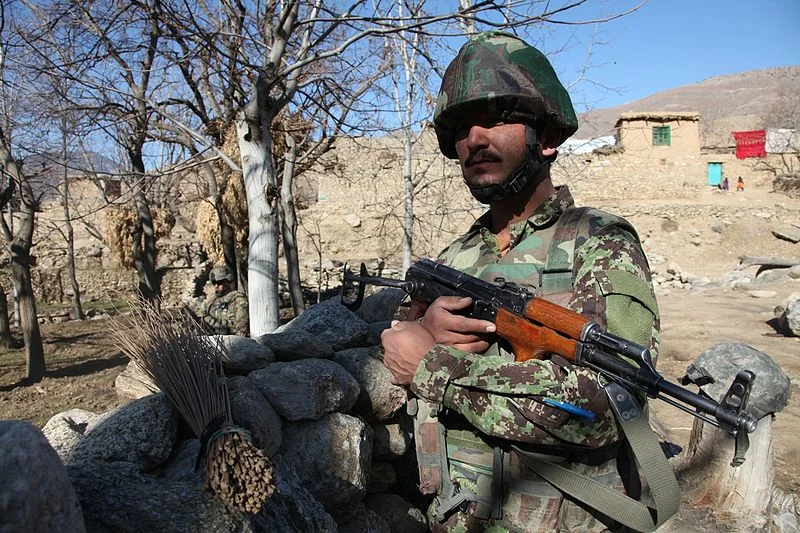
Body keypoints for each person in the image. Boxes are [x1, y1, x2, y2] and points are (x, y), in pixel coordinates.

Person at [381, 32, 663, 532]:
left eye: (495, 119)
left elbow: (604, 406)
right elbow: (396, 347)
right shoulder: (456, 256)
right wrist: (424, 325)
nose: (474, 139)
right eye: (462, 127)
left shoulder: (599, 241)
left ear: (547, 137)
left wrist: (434, 367)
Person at [202, 265, 249, 337]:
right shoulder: (211, 301)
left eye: (219, 282)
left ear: (227, 282)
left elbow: (242, 325)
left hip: (231, 341)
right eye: (214, 283)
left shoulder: (237, 298)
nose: (216, 286)